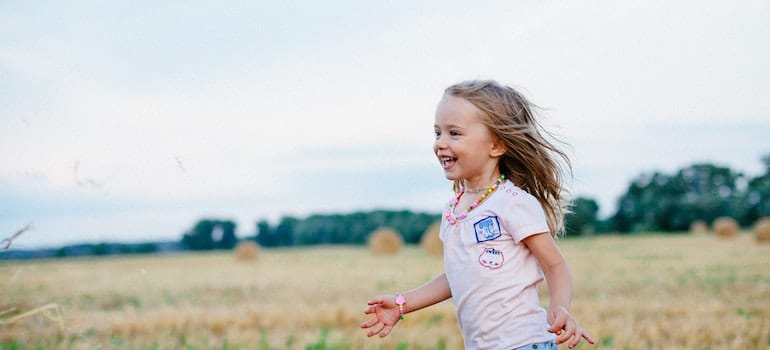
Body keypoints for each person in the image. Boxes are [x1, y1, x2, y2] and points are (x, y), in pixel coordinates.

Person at [360, 80, 594, 349]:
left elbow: (555, 265)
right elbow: (459, 274)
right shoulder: (454, 210)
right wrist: (403, 303)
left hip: (524, 344)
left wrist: (559, 306)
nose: (440, 144)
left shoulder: (512, 203)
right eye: (438, 133)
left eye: (454, 133)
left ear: (496, 145)